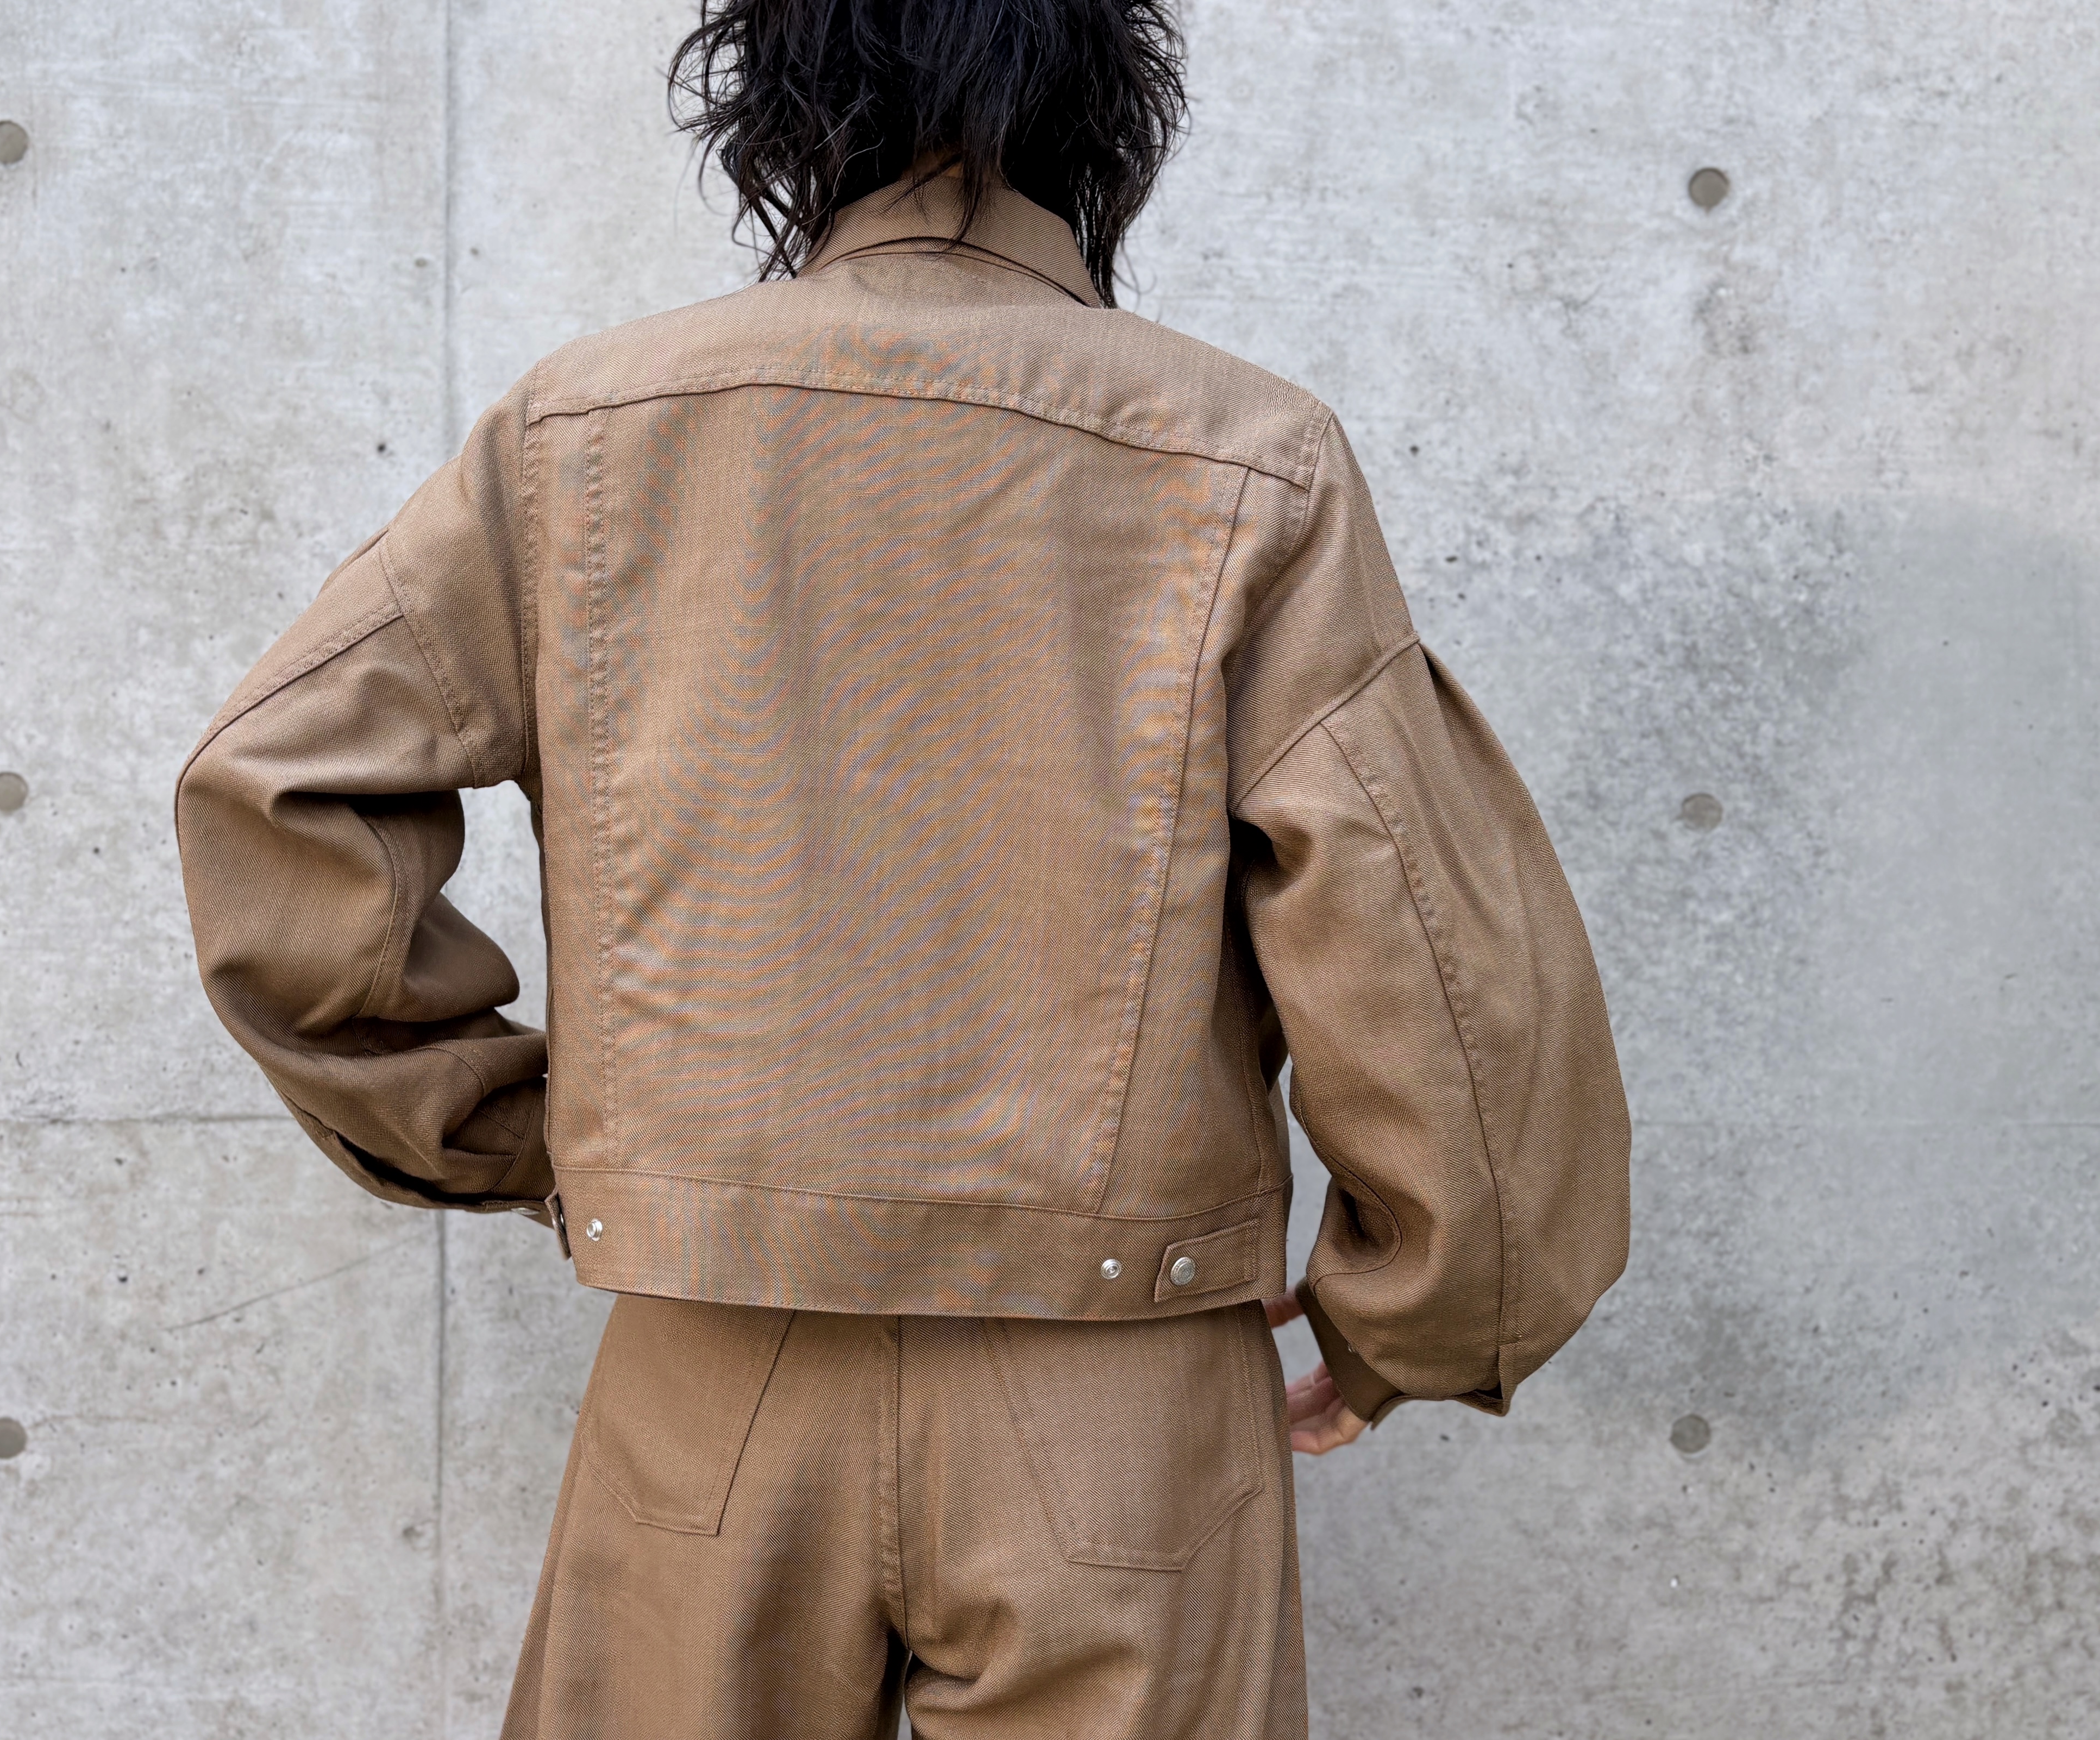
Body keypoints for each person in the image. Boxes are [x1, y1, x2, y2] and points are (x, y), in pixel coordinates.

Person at [174, 1, 1631, 1733]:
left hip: (711, 1371)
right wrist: (1418, 1317)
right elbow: (1439, 964)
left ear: (783, 113)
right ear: (1102, 120)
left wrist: (523, 1133)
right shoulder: (1252, 457)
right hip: (1121, 1402)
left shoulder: (584, 431)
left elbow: (274, 787)